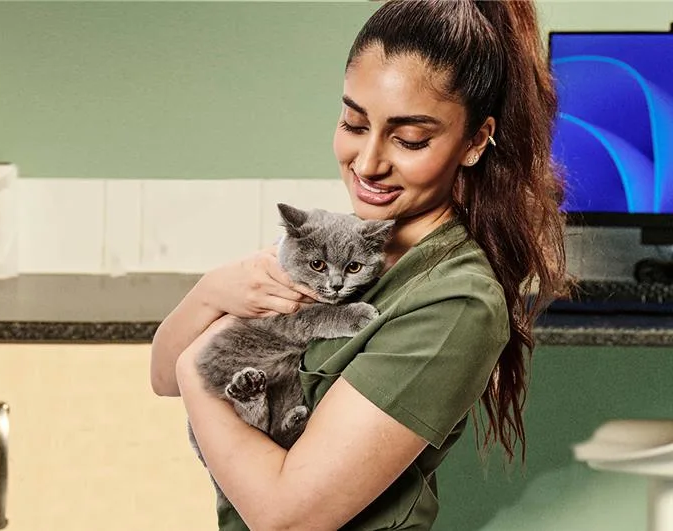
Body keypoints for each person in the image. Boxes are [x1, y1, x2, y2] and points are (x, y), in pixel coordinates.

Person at [150, 0, 567, 529]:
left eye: (410, 139)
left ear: (475, 141)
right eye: (353, 123)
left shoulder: (455, 302)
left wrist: (196, 364)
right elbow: (162, 376)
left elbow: (288, 517)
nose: (368, 163)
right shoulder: (339, 242)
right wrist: (209, 294)